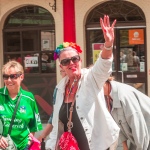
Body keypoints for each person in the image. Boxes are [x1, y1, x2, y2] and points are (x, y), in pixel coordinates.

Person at [46, 15, 120, 150]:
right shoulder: (60, 88)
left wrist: (108, 45)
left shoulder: (90, 79)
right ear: (61, 67)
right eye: (65, 61)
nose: (71, 63)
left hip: (98, 145)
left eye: (75, 59)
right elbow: (57, 123)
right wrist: (51, 146)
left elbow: (103, 66)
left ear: (80, 61)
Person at [0, 61, 43, 150]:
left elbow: (33, 126)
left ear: (21, 77)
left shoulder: (29, 98)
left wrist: (28, 144)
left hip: (23, 146)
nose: (9, 80)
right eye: (5, 77)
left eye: (13, 76)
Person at [103, 77, 150, 150]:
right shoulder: (108, 97)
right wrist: (124, 145)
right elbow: (118, 122)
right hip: (138, 137)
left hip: (146, 133)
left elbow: (138, 127)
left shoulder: (123, 95)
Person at [37, 68, 66, 142]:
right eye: (63, 71)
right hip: (61, 138)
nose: (65, 74)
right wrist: (42, 136)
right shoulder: (58, 89)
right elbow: (54, 115)